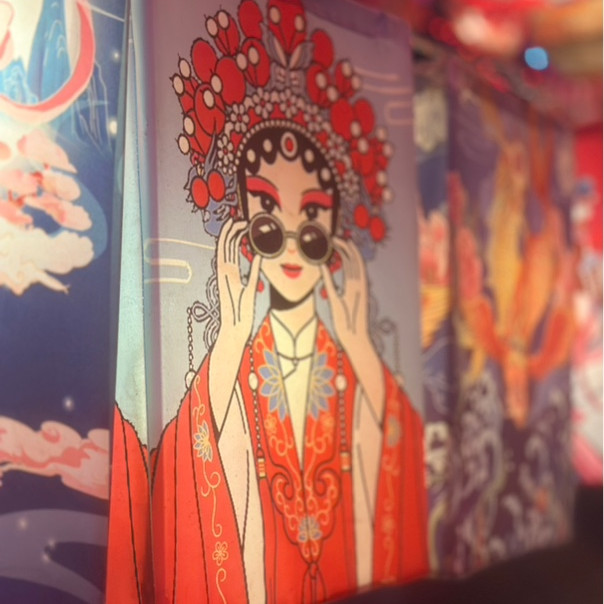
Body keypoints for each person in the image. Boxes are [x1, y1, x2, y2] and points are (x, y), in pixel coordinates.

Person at [106, 2, 428, 602]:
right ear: (244, 229)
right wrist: (230, 339)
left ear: (335, 235)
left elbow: (398, 465)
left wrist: (360, 348)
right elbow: (180, 473)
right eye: (269, 224)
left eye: (312, 223)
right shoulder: (236, 365)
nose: (293, 248)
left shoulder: (351, 366)